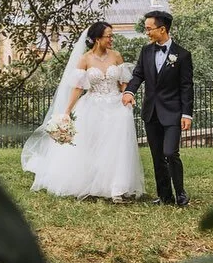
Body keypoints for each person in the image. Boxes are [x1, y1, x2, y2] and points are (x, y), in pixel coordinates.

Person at [21, 22, 144, 201]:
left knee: (118, 147)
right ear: (97, 39)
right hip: (93, 106)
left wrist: (127, 95)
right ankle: (92, 183)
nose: (112, 39)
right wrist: (67, 111)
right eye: (108, 36)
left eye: (112, 36)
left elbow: (124, 82)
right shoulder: (85, 59)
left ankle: (117, 188)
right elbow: (78, 88)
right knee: (92, 146)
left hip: (116, 106)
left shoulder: (116, 56)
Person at [122, 10, 194, 207]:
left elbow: (186, 87)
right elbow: (138, 75)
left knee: (170, 152)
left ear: (162, 29)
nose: (146, 32)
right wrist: (129, 92)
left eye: (149, 29)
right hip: (151, 112)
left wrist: (187, 113)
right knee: (157, 156)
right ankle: (165, 196)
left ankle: (180, 193)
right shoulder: (146, 51)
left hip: (173, 113)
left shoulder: (183, 55)